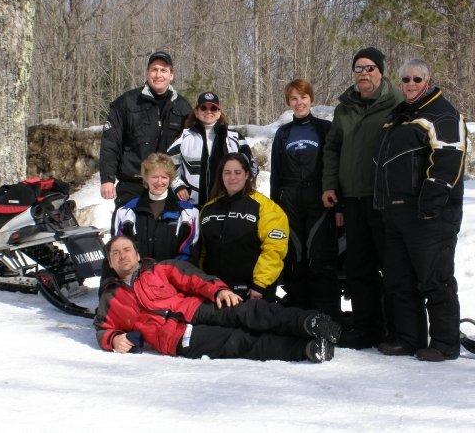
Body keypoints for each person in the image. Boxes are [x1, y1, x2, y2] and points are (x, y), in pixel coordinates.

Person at [95, 235, 340, 362]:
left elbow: (193, 278)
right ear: (110, 262)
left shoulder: (159, 269)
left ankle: (311, 323)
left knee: (249, 312)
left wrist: (219, 290)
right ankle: (306, 349)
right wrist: (114, 339)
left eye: (127, 249)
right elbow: (102, 328)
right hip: (178, 339)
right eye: (115, 253)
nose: (122, 256)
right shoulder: (109, 297)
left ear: (138, 254)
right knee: (240, 343)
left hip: (198, 309)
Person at [373, 58, 466, 362]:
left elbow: (449, 159)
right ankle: (408, 338)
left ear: (428, 81)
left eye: (416, 79)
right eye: (405, 80)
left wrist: (430, 204)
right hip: (396, 212)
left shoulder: (443, 114)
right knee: (399, 280)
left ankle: (444, 342)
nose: (410, 84)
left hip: (430, 214)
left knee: (434, 279)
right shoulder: (399, 116)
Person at [321, 47, 402, 348]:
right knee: (359, 267)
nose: (364, 73)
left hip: (384, 199)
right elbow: (332, 148)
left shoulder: (396, 103)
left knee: (392, 266)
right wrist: (330, 185)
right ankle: (367, 327)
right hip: (352, 199)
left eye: (370, 68)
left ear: (381, 71)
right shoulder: (345, 107)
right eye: (358, 68)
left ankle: (397, 329)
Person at [270, 79, 341, 320]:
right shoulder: (283, 132)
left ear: (311, 99)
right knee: (295, 256)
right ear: (288, 103)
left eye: (303, 97)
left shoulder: (324, 128)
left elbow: (333, 166)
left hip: (319, 198)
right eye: (293, 99)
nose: (299, 103)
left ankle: (327, 316)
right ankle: (299, 317)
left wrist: (337, 201)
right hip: (289, 199)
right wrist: (273, 208)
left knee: (319, 256)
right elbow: (276, 174)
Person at [99, 51, 192, 208]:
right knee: (127, 231)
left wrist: (181, 183)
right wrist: (107, 179)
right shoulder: (126, 103)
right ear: (147, 73)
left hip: (166, 184)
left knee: (165, 231)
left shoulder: (183, 107)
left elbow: (190, 147)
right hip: (132, 184)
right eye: (154, 69)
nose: (158, 75)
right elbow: (110, 143)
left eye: (164, 70)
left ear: (171, 75)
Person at [199, 153, 289, 301]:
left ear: (247, 174)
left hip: (253, 293)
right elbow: (203, 251)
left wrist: (260, 284)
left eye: (238, 172)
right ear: (221, 175)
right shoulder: (208, 208)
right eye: (227, 172)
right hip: (215, 292)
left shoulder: (267, 208)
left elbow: (274, 249)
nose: (232, 177)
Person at [167, 91, 258, 208]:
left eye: (213, 108)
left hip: (229, 205)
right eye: (203, 108)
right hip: (193, 205)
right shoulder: (185, 137)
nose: (208, 111)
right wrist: (178, 186)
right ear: (196, 112)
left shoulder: (235, 138)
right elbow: (166, 166)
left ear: (219, 112)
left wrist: (242, 188)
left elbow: (252, 167)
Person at [112, 153, 199, 263]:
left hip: (172, 278)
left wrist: (164, 275)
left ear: (170, 179)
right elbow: (119, 251)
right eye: (154, 177)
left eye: (164, 177)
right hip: (138, 277)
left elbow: (189, 253)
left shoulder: (188, 212)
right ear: (146, 178)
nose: (159, 182)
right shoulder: (126, 211)